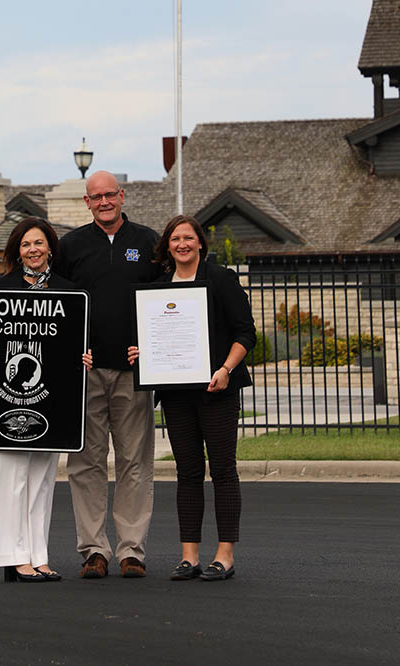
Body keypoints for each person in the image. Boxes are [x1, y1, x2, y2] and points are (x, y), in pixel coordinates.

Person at [0, 216, 91, 584]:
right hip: (5, 401)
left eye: (39, 243)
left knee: (43, 479)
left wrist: (84, 358)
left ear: (50, 248)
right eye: (26, 245)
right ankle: (11, 555)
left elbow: (72, 344)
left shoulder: (69, 291)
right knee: (10, 477)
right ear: (17, 252)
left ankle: (37, 555)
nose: (33, 250)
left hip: (50, 402)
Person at [129, 214, 256, 582]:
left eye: (188, 237)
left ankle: (225, 555)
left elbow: (245, 333)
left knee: (222, 471)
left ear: (200, 242)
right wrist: (143, 355)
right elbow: (153, 337)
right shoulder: (158, 288)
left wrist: (226, 370)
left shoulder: (220, 279)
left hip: (217, 389)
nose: (182, 244)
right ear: (167, 246)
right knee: (187, 473)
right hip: (175, 394)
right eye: (175, 239)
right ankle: (189, 557)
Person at [56, 170, 159, 579]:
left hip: (134, 373)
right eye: (95, 197)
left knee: (135, 462)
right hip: (86, 373)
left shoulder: (148, 242)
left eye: (110, 195)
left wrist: (152, 349)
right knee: (86, 463)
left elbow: (167, 302)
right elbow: (56, 304)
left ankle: (131, 550)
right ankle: (94, 550)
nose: (103, 202)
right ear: (87, 202)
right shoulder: (71, 246)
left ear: (122, 195)